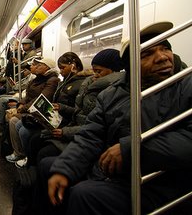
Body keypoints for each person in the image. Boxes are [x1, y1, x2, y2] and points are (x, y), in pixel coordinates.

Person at [44, 22, 192, 214]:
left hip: (164, 179)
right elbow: (91, 135)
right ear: (131, 64)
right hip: (119, 175)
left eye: (165, 49)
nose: (162, 58)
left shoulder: (185, 84)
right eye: (147, 54)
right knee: (51, 169)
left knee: (85, 195)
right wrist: (65, 168)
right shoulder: (112, 94)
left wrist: (132, 148)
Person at [6, 57, 60, 163]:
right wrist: (20, 103)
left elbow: (41, 99)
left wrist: (22, 108)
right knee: (11, 117)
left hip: (39, 111)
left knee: (14, 122)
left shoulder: (52, 80)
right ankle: (18, 151)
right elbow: (28, 95)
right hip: (30, 108)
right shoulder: (37, 78)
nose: (32, 67)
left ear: (46, 67)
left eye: (37, 65)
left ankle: (21, 154)